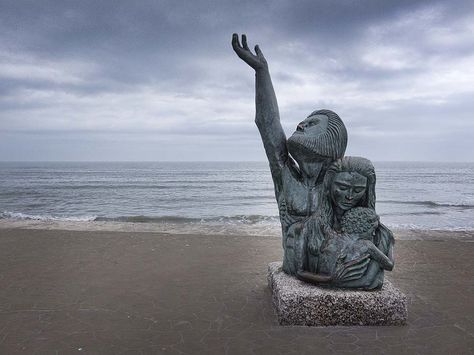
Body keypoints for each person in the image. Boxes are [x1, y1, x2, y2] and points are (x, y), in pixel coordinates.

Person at [232, 34, 348, 276]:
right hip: (295, 266)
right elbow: (267, 123)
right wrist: (261, 71)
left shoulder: (341, 182)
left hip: (329, 269)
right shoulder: (285, 174)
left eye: (312, 123)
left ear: (332, 138)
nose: (302, 124)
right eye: (304, 120)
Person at [298, 156, 395, 289]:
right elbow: (299, 270)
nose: (349, 196)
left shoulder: (380, 233)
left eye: (358, 190)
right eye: (342, 187)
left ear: (367, 191)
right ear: (329, 185)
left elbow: (371, 281)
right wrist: (329, 280)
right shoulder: (311, 227)